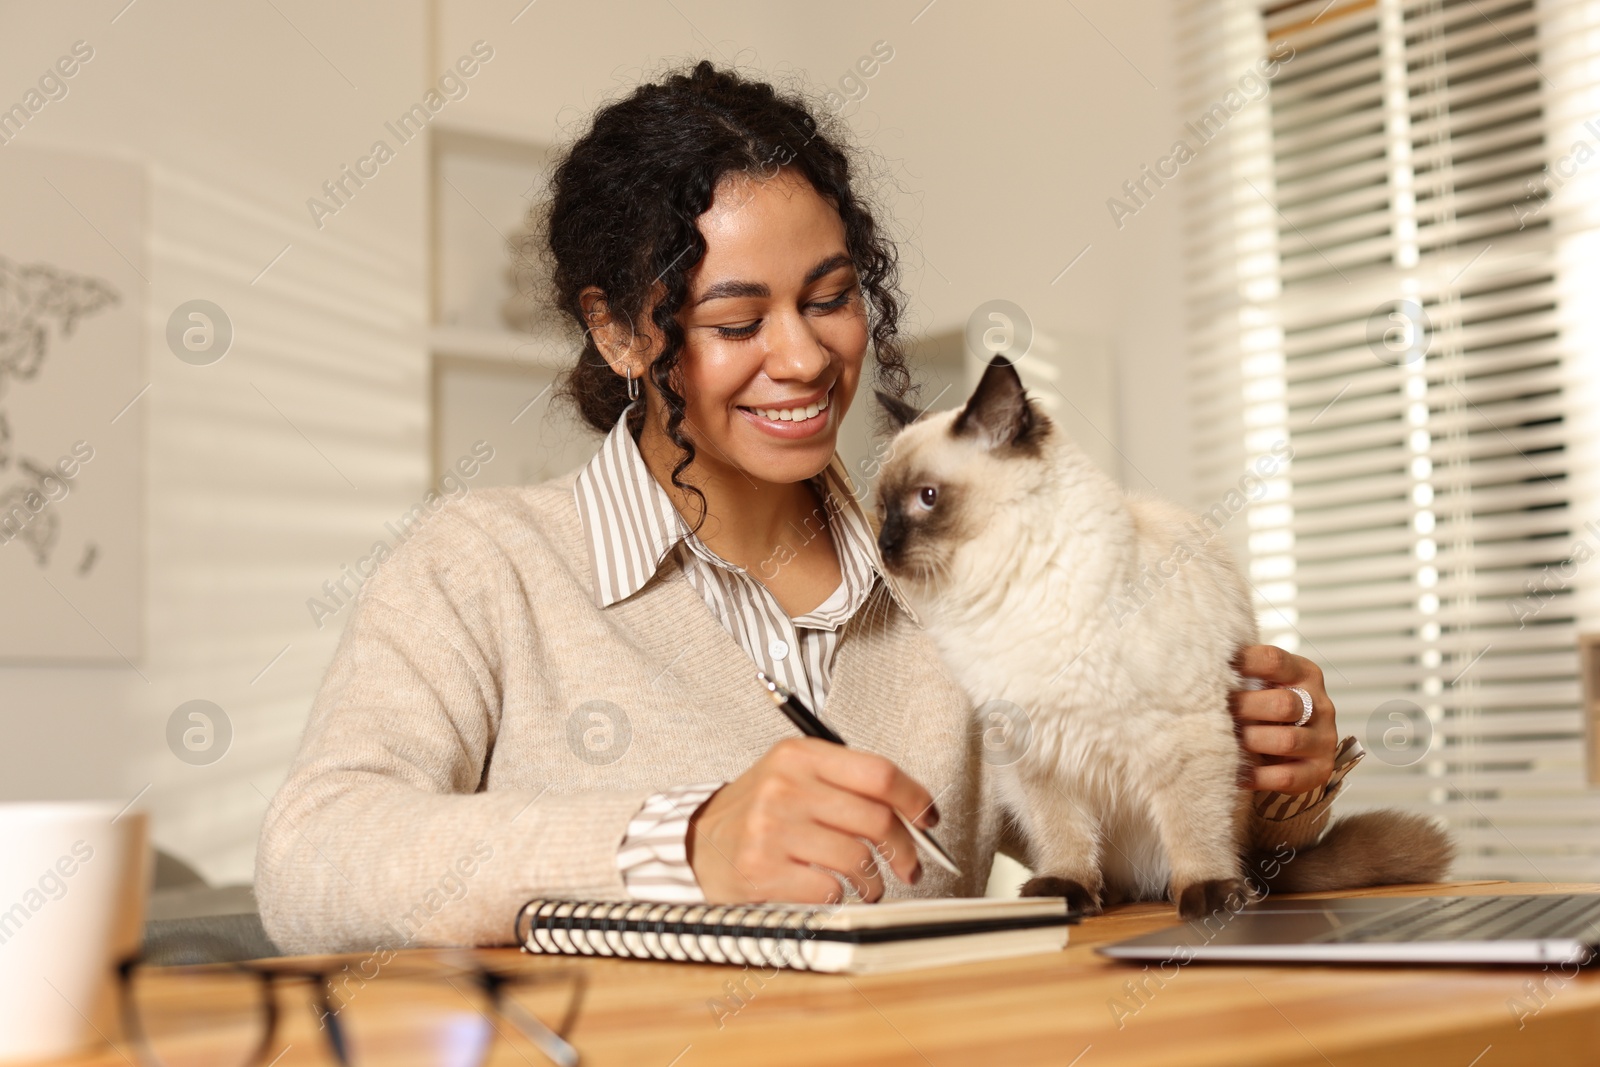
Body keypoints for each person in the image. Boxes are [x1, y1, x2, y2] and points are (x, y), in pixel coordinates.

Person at [255, 61, 1356, 955]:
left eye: (829, 299)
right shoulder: (482, 564)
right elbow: (313, 857)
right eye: (738, 320)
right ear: (622, 334)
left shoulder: (968, 572)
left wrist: (1271, 782)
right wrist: (680, 843)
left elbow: (1118, 840)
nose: (803, 355)